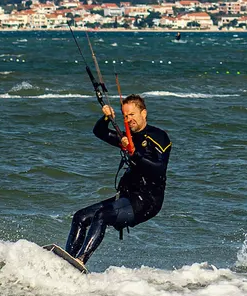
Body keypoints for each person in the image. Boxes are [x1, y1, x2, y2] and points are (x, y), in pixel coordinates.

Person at [64, 94, 171, 266]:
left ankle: (80, 260)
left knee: (102, 216)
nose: (129, 120)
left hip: (147, 201)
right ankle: (67, 260)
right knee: (80, 217)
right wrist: (106, 118)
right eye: (125, 116)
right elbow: (99, 132)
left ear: (143, 113)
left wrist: (134, 152)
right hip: (127, 197)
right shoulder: (127, 137)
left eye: (132, 115)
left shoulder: (158, 136)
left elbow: (159, 168)